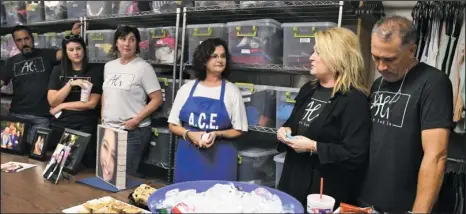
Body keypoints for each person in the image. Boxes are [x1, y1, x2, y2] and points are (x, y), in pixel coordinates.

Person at [359, 16, 453, 213]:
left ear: (411, 50)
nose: (380, 67)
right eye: (376, 57)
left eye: (389, 59)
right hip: (367, 200)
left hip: (405, 205)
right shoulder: (378, 84)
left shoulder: (434, 83)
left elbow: (436, 156)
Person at [276, 27, 371, 209]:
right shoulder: (308, 89)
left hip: (325, 193)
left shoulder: (354, 100)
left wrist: (314, 147)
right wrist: (285, 130)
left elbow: (355, 154)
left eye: (317, 52)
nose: (311, 57)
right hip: (293, 180)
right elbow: (294, 124)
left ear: (336, 57)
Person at [168, 38, 248, 182]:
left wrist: (217, 134)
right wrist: (189, 134)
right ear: (204, 60)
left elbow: (239, 129)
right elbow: (173, 124)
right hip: (189, 156)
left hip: (220, 159)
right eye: (214, 56)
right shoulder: (186, 89)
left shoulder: (232, 91)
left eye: (223, 56)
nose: (220, 60)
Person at [0, 24, 81, 145]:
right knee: (14, 155)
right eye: (19, 40)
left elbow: (67, 51)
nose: (24, 43)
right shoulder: (10, 62)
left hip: (41, 117)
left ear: (32, 38)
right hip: (17, 116)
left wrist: (72, 35)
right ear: (15, 42)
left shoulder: (46, 55)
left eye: (26, 38)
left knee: (37, 154)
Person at [101, 26, 163, 177]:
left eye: (132, 39)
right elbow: (106, 93)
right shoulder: (109, 66)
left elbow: (157, 99)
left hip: (134, 131)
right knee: (108, 174)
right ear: (116, 43)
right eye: (123, 39)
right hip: (110, 129)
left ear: (137, 44)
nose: (127, 44)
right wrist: (103, 115)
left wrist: (136, 120)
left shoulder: (143, 68)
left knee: (124, 176)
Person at [47, 35, 103, 168]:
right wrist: (71, 84)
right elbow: (52, 101)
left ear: (84, 49)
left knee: (85, 167)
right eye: (71, 49)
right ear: (65, 52)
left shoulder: (95, 70)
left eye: (78, 48)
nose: (76, 53)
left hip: (85, 126)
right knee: (61, 167)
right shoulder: (58, 71)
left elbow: (91, 103)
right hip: (61, 125)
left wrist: (63, 105)